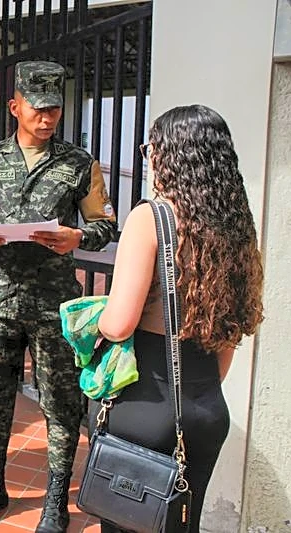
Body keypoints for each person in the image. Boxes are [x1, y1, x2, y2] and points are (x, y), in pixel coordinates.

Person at [0, 60, 117, 532]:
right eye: (38, 109)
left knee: (60, 405)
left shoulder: (79, 164)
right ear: (15, 107)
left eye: (54, 110)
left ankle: (55, 502)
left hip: (52, 308)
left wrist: (77, 238)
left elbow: (105, 225)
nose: (47, 119)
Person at [91, 104, 264, 532]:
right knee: (183, 522)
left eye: (149, 147)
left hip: (147, 404)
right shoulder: (234, 227)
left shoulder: (150, 219)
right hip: (206, 409)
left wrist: (92, 318)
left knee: (127, 521)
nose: (148, 157)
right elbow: (228, 337)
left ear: (169, 154)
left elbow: (118, 323)